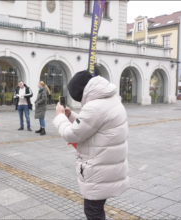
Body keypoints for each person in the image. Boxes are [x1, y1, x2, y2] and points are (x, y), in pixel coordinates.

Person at [53, 70, 129, 220]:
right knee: (96, 209)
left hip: (99, 169)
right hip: (108, 165)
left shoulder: (94, 107)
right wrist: (70, 116)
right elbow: (90, 125)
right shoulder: (110, 98)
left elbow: (72, 134)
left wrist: (60, 117)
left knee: (93, 211)